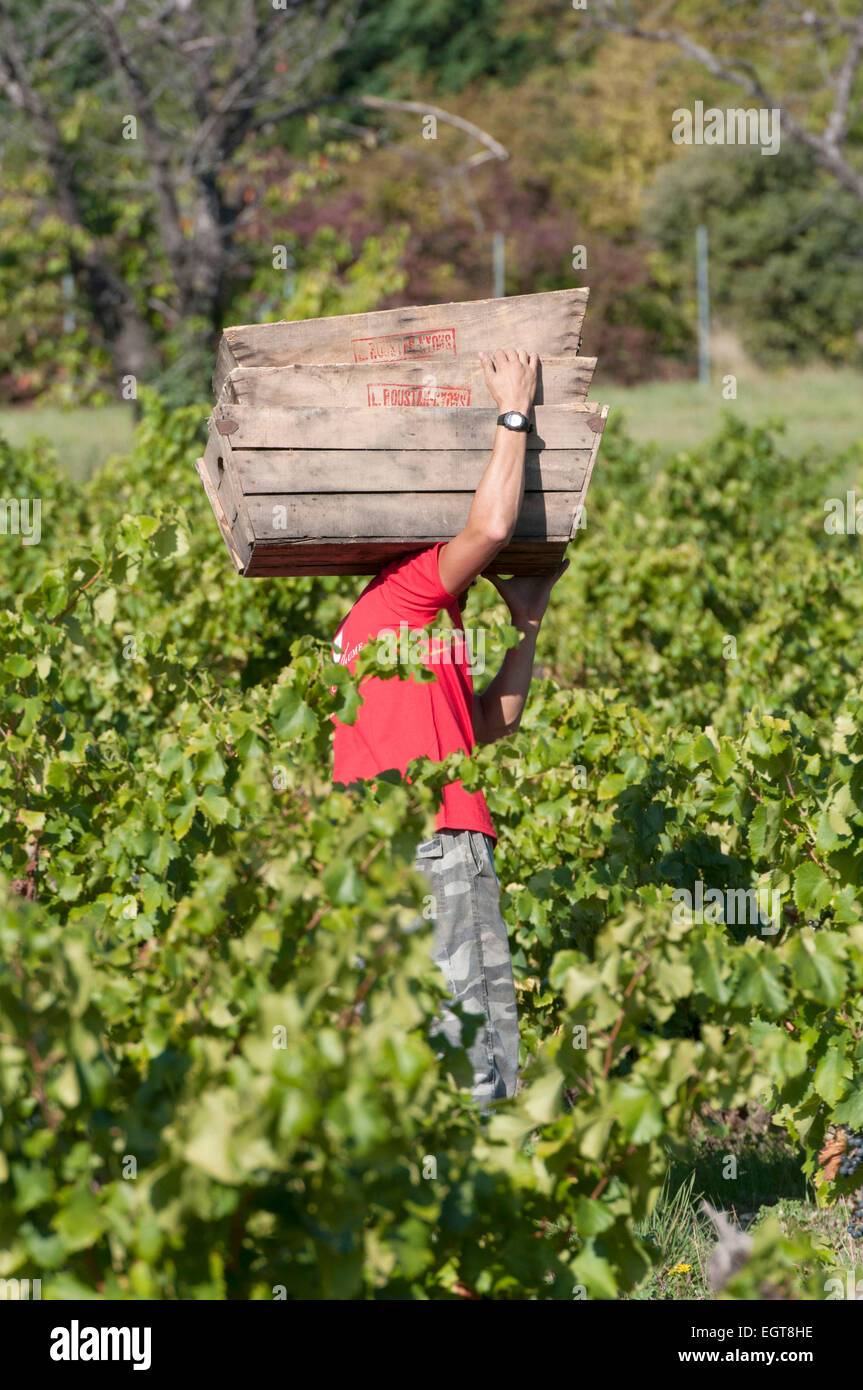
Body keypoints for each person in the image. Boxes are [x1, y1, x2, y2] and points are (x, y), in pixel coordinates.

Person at [332, 348, 569, 1104]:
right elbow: (494, 523)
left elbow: (490, 722)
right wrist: (513, 409)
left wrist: (525, 625)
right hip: (433, 844)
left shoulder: (407, 628)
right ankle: (475, 1202)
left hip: (416, 846)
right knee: (471, 1051)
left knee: (467, 1039)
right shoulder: (402, 595)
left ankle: (474, 1200)